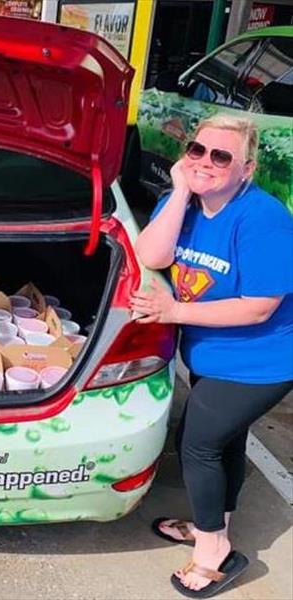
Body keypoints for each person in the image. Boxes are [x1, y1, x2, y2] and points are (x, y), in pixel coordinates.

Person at [131, 114, 293, 598]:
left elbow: (259, 306)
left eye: (221, 156)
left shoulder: (263, 217)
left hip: (263, 361)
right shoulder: (184, 204)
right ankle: (213, 523)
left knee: (197, 444)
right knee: (225, 442)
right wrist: (180, 192)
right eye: (197, 151)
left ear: (246, 168)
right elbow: (152, 254)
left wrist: (173, 310)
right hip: (209, 354)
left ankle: (214, 552)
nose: (205, 162)